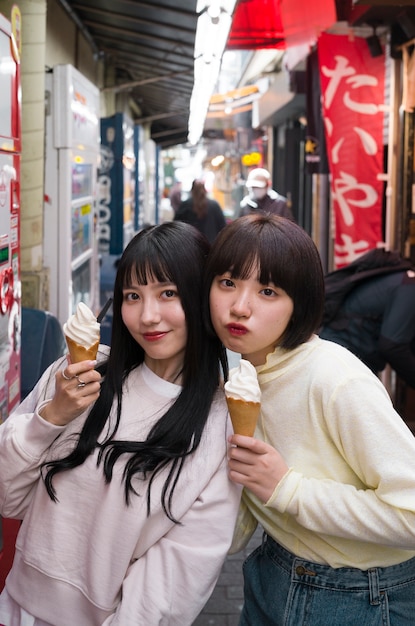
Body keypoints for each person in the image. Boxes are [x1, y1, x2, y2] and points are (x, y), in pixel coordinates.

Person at [0, 222, 240, 626]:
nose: (148, 316)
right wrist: (52, 417)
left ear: (201, 299)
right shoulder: (76, 376)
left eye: (168, 293)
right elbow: (7, 495)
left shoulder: (220, 428)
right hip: (15, 610)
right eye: (132, 296)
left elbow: (174, 583)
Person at [204, 213, 415, 625]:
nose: (240, 307)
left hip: (363, 597)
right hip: (272, 574)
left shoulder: (334, 379)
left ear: (298, 304)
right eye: (227, 283)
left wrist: (289, 490)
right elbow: (245, 505)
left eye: (267, 291)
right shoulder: (235, 376)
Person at [319, 263, 415, 388]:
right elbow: (392, 346)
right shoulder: (410, 288)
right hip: (345, 356)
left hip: (345, 351)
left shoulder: (405, 281)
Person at [174, 179, 226, 243]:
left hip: (190, 247)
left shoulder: (185, 205)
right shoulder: (214, 205)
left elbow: (176, 227)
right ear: (204, 190)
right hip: (211, 247)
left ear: (192, 190)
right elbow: (223, 228)